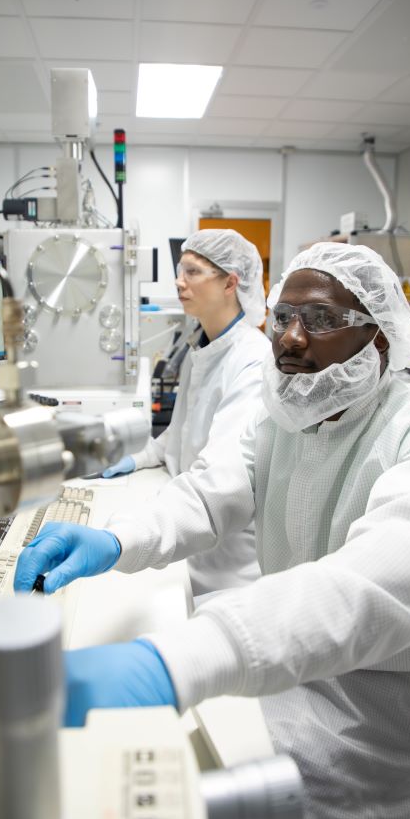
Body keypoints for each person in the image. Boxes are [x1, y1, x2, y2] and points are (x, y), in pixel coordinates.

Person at [14, 241, 410, 819]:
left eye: (320, 320)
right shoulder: (285, 416)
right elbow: (210, 492)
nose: (290, 338)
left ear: (380, 339)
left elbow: (370, 586)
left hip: (367, 712)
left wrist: (171, 665)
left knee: (145, 792)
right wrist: (111, 539)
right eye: (284, 317)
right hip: (292, 653)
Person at [101, 228, 270, 595]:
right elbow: (176, 439)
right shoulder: (203, 348)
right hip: (183, 533)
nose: (179, 282)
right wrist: (131, 458)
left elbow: (219, 485)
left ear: (230, 283)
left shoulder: (252, 362)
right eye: (180, 270)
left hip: (222, 572)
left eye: (192, 271)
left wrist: (127, 535)